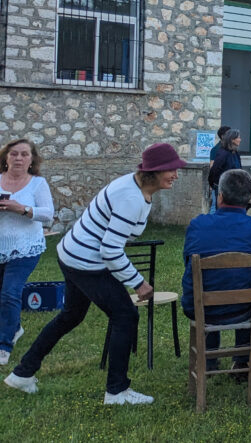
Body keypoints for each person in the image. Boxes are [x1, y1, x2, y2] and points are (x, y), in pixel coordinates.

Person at [5, 143, 187, 405]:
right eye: (171, 170)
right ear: (154, 172)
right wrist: (138, 283)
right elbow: (111, 250)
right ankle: (117, 391)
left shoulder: (135, 187)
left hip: (72, 252)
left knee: (71, 315)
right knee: (125, 315)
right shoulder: (130, 197)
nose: (176, 175)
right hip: (85, 261)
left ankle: (22, 374)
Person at [182, 169, 251, 375]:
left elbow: (186, 261)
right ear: (250, 198)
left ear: (220, 196)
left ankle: (210, 359)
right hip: (244, 307)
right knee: (240, 286)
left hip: (201, 307)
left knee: (212, 286)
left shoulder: (198, 225)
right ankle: (242, 361)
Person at [0, 139, 54, 366]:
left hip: (25, 247)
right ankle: (16, 327)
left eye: (24, 154)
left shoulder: (37, 184)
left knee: (9, 293)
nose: (19, 158)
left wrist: (22, 209)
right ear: (6, 157)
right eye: (14, 154)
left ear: (32, 160)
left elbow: (48, 215)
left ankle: (4, 344)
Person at [208, 129, 242, 201]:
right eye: (238, 138)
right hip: (223, 189)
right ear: (232, 140)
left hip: (234, 188)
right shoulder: (223, 153)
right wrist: (214, 185)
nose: (240, 140)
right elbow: (214, 170)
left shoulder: (235, 153)